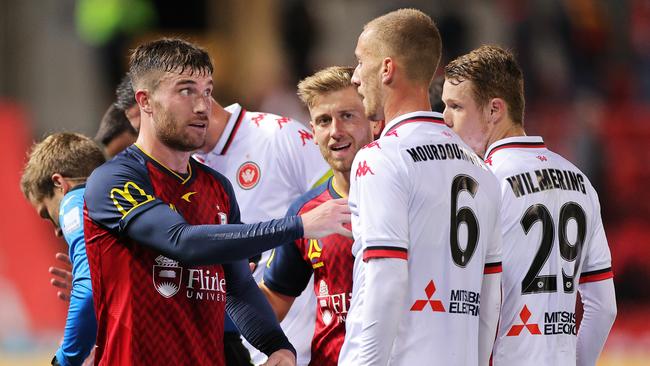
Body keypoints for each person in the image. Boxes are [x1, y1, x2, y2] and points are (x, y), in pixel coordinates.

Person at [83, 38, 350, 366]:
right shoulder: (114, 179)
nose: (201, 106)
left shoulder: (217, 187)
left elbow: (237, 286)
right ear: (146, 102)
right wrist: (298, 226)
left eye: (207, 91)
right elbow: (181, 242)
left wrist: (278, 346)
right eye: (186, 91)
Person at [338, 9, 503, 366]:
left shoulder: (381, 158)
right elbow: (490, 296)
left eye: (359, 61)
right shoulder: (482, 171)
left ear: (386, 69)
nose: (354, 77)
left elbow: (387, 279)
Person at [442, 45, 617, 366]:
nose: (445, 119)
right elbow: (604, 307)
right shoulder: (580, 180)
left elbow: (469, 300)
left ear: (495, 110)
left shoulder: (479, 182)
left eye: (456, 106)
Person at [193, 98, 330, 365]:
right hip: (233, 352)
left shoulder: (280, 135)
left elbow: (339, 212)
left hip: (302, 351)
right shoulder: (183, 172)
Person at [259, 66, 377, 365]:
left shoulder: (407, 198)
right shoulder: (306, 213)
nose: (335, 131)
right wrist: (227, 285)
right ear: (312, 132)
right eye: (324, 121)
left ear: (374, 121)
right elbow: (275, 298)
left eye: (347, 116)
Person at [20, 133, 105, 366]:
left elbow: (87, 291)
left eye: (47, 214)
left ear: (60, 183)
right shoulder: (125, 198)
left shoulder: (74, 201)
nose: (57, 231)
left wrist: (64, 361)